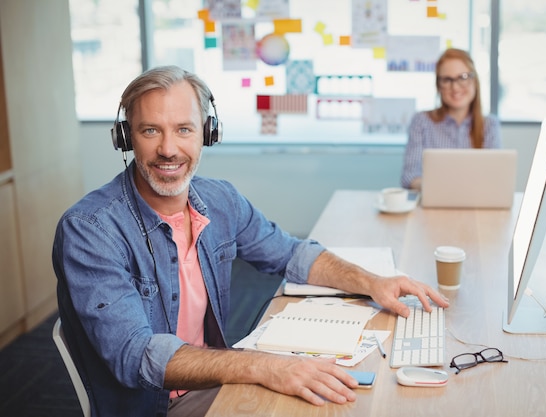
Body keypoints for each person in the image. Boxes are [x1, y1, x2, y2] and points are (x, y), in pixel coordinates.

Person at [52, 65, 449, 417]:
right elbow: (135, 355)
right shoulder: (90, 230)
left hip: (214, 381)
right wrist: (262, 365)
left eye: (184, 129)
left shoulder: (219, 200)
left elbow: (291, 253)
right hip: (156, 404)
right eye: (150, 130)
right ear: (126, 137)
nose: (168, 149)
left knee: (339, 394)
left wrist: (372, 282)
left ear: (208, 133)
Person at [400, 48, 502, 191]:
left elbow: (494, 178)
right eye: (447, 80)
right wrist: (438, 188)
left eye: (463, 77)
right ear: (438, 85)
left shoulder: (490, 125)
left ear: (474, 81)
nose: (455, 87)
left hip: (476, 205)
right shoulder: (421, 121)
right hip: (433, 205)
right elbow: (409, 176)